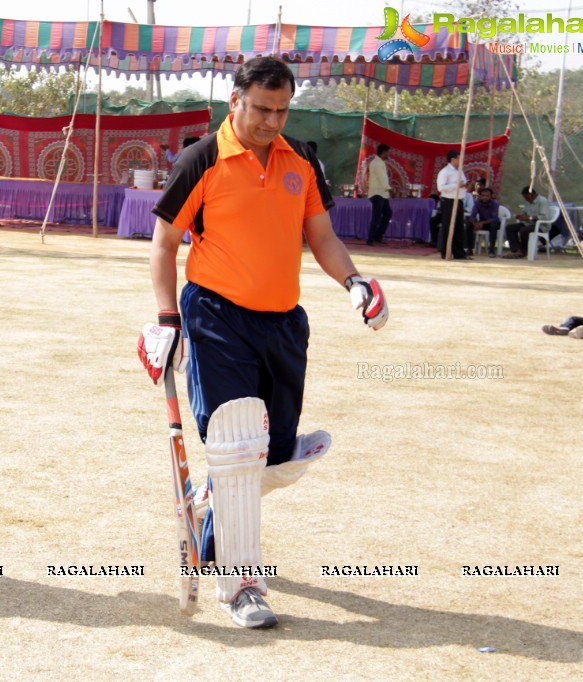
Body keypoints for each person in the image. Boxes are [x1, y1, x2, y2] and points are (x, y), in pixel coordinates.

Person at [137, 56, 388, 630]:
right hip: (216, 316)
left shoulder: (302, 161)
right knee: (237, 443)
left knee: (272, 454)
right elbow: (164, 243)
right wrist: (166, 318)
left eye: (281, 110)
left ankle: (210, 505)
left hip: (283, 323)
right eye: (261, 109)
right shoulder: (201, 157)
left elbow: (320, 235)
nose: (272, 121)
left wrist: (355, 281)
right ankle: (241, 584)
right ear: (235, 100)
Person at [436, 150, 469, 260]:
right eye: (459, 158)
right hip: (449, 201)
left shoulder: (459, 171)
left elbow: (463, 183)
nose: (461, 161)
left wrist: (465, 185)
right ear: (453, 159)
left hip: (459, 200)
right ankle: (445, 252)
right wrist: (456, 185)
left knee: (459, 227)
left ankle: (459, 252)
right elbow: (441, 188)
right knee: (448, 227)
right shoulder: (445, 172)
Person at [503, 185, 551, 259]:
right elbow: (525, 213)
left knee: (524, 230)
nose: (526, 199)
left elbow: (544, 217)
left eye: (527, 197)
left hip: (541, 225)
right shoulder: (528, 202)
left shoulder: (542, 201)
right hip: (529, 223)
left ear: (532, 195)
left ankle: (523, 251)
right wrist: (520, 216)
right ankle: (516, 250)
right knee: (510, 228)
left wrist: (529, 218)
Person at [365, 143, 392, 246]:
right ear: (384, 152)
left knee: (387, 213)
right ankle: (371, 239)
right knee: (376, 216)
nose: (389, 154)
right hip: (377, 193)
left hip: (382, 193)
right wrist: (389, 188)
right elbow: (382, 178)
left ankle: (378, 235)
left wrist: (387, 189)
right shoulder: (377, 163)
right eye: (388, 152)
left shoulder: (379, 162)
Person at [469, 186, 501, 258]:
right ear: (480, 196)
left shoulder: (495, 203)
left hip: (492, 223)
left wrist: (482, 223)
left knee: (493, 225)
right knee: (469, 224)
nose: (485, 197)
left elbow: (494, 218)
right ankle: (469, 248)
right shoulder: (477, 203)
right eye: (483, 196)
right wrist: (475, 223)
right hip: (482, 223)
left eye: (487, 196)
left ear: (491, 196)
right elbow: (473, 215)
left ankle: (491, 250)